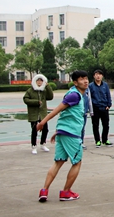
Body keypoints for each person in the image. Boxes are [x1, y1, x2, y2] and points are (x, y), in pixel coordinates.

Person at [37, 70, 89, 202]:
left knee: (58, 162)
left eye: (86, 78)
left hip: (63, 132)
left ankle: (44, 190)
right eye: (82, 79)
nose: (85, 81)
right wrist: (43, 122)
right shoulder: (74, 95)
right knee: (77, 162)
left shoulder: (75, 94)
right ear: (75, 82)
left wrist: (58, 131)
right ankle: (66, 192)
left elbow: (66, 115)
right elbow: (58, 110)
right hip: (72, 134)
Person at [23, 74, 54, 154]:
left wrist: (48, 86)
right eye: (38, 80)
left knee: (45, 129)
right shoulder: (30, 90)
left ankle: (43, 144)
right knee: (34, 130)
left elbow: (50, 97)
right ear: (35, 81)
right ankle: (34, 146)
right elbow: (25, 99)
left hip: (43, 113)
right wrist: (36, 102)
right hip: (34, 113)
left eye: (41, 80)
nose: (39, 82)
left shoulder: (43, 91)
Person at [89, 69, 113, 147]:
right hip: (95, 107)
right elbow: (89, 97)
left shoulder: (105, 85)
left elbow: (108, 95)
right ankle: (97, 140)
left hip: (104, 107)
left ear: (102, 76)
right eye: (96, 74)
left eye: (100, 74)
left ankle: (105, 139)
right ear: (94, 76)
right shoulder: (90, 86)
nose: (98, 76)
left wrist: (109, 105)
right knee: (95, 125)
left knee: (106, 124)